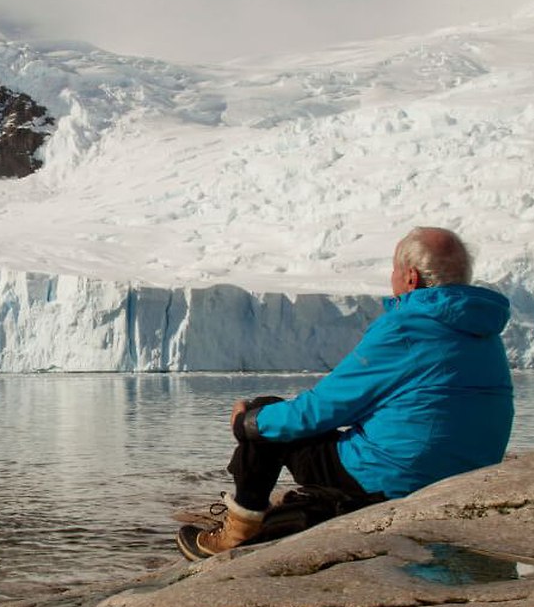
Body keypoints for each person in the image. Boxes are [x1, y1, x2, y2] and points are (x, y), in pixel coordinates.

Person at [177, 226, 514, 560]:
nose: (392, 277)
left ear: (410, 278)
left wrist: (246, 423)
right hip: (463, 481)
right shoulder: (483, 330)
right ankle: (302, 511)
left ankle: (236, 535)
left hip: (395, 482)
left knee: (265, 418)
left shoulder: (404, 328)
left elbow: (323, 409)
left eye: (395, 270)